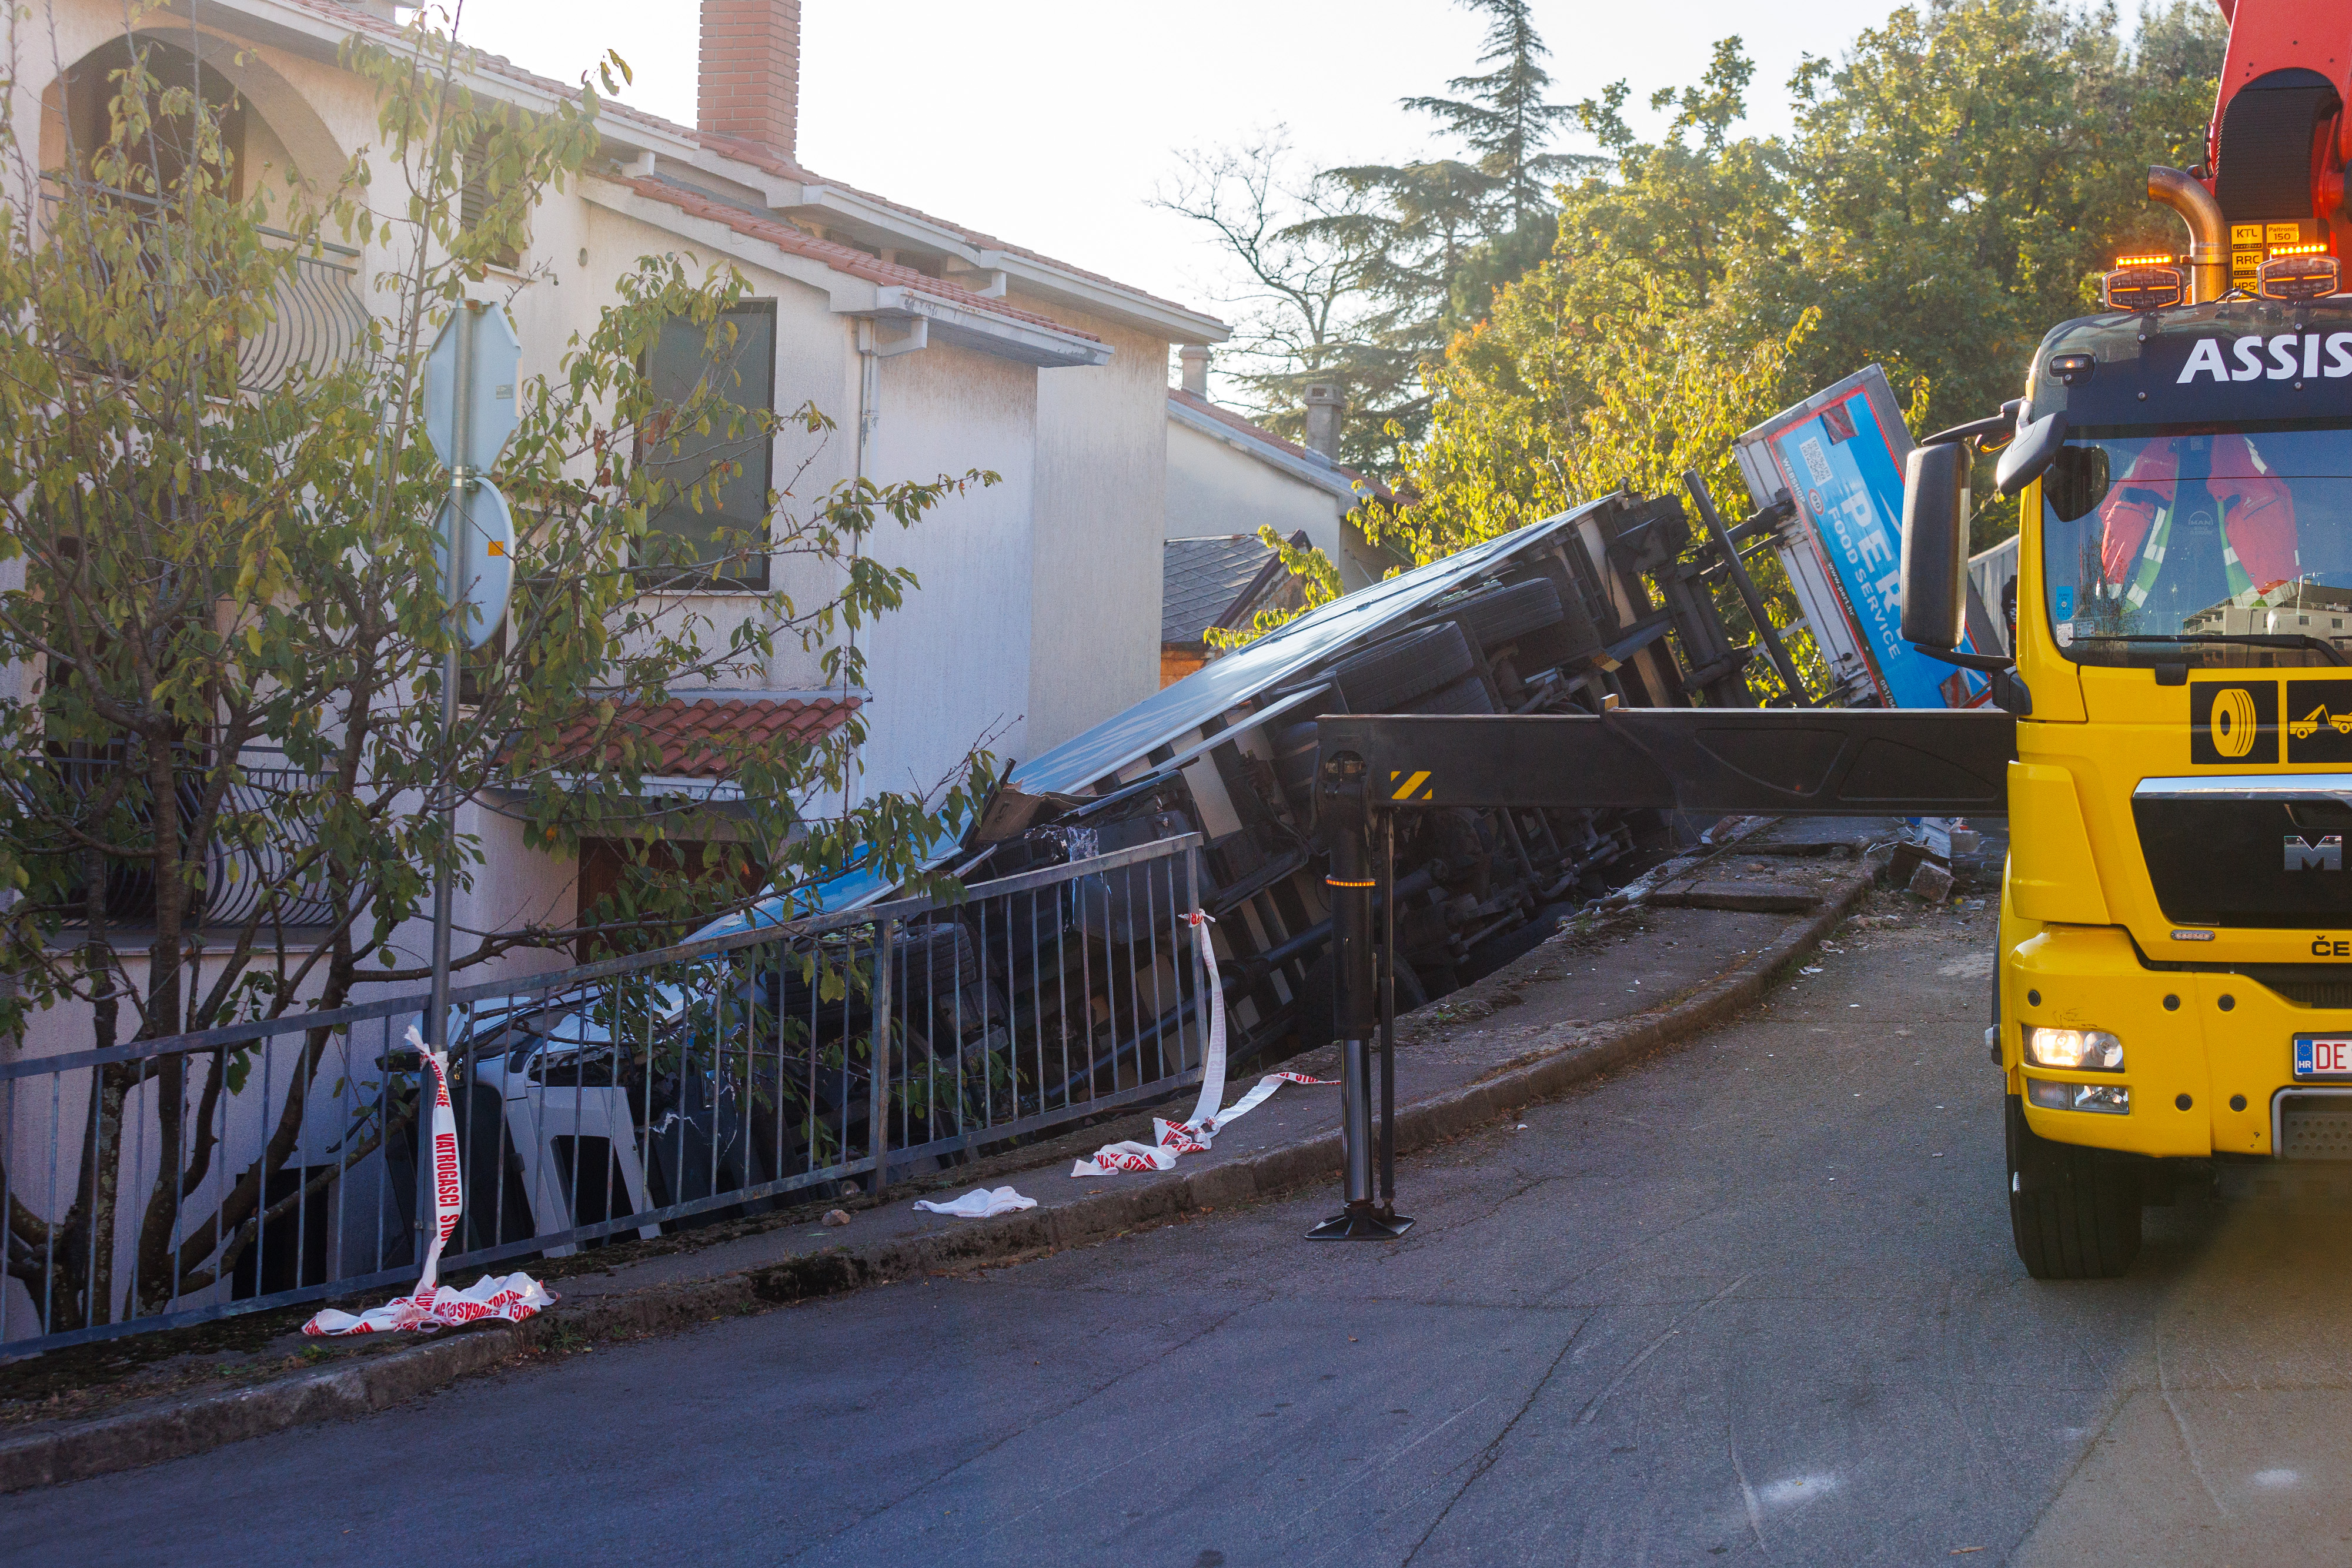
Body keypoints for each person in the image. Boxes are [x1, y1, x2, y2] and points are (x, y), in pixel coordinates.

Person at [2099, 434, 2298, 623]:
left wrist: (2108, 592)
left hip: (2232, 617)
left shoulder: (2238, 454)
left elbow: (2110, 513)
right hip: (2158, 615)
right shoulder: (2154, 456)